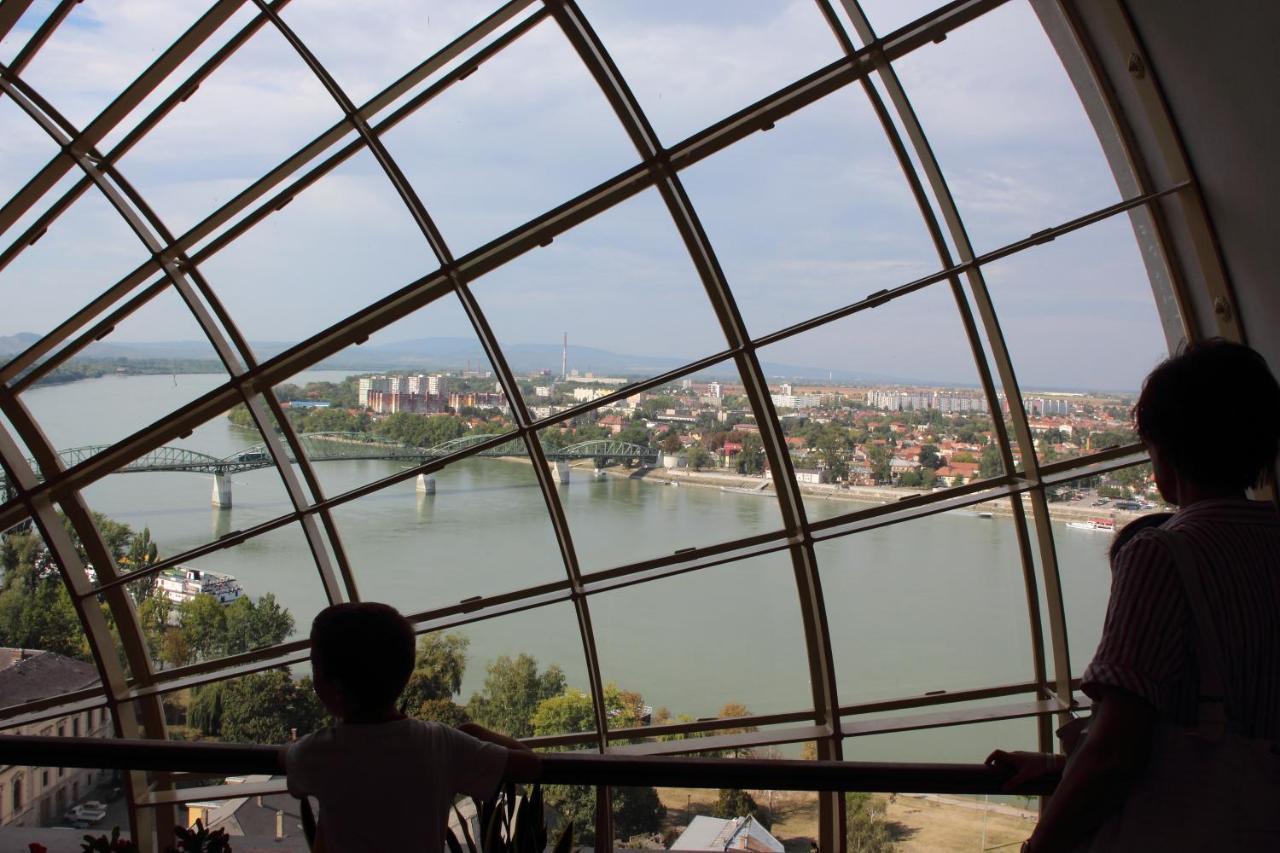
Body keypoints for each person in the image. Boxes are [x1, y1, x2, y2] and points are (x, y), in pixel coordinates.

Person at [987, 339, 1280, 852]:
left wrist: (1042, 847)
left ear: (1166, 447)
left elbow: (1119, 749)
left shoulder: (1164, 555)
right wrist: (1061, 767)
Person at [282, 602, 540, 852]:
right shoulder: (440, 743)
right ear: (406, 671)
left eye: (314, 664)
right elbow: (531, 766)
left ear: (332, 686)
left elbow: (288, 759)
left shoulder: (317, 752)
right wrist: (473, 731)